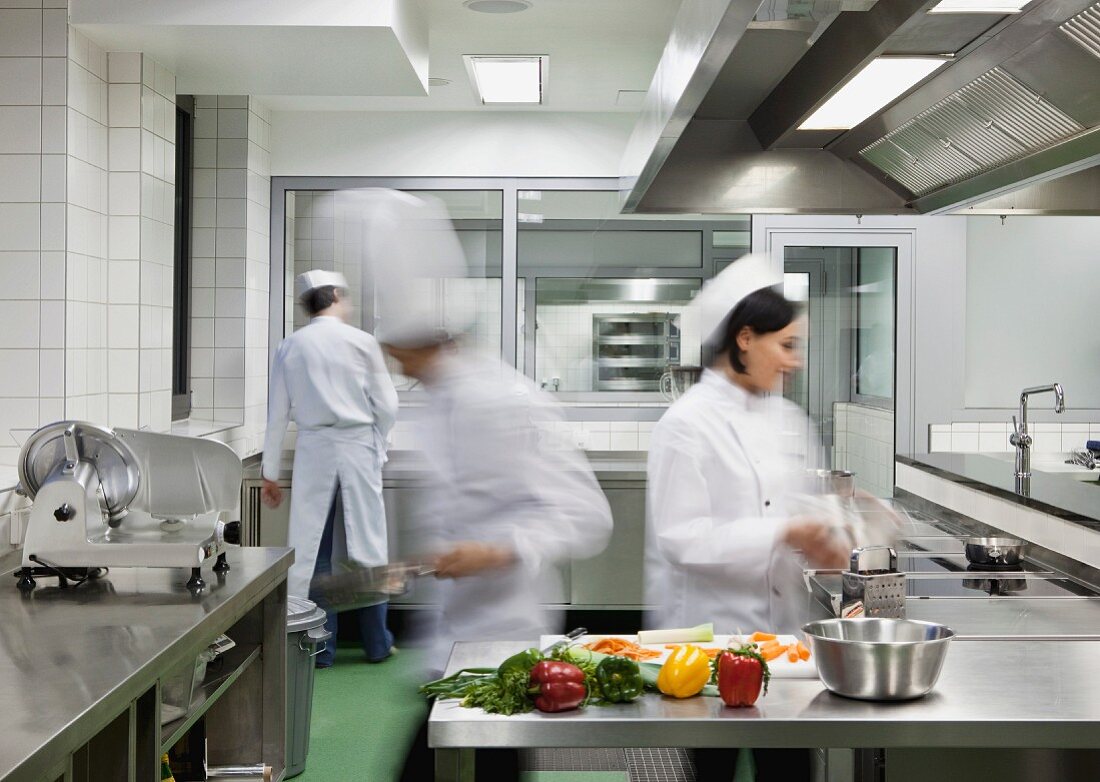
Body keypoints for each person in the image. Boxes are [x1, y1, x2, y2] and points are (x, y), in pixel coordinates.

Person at [646, 255, 851, 781]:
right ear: (744, 338)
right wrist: (784, 532)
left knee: (789, 771)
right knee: (712, 770)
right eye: (786, 345)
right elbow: (683, 539)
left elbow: (803, 507)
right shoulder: (685, 423)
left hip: (782, 645)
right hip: (708, 648)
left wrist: (831, 535)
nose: (795, 361)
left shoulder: (786, 418)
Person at [261, 270, 399, 667]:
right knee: (369, 548)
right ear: (336, 295)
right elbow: (387, 405)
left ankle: (319, 648)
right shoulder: (362, 342)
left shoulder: (291, 346)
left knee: (310, 551)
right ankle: (377, 644)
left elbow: (277, 414)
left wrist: (271, 472)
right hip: (357, 446)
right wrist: (380, 442)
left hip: (314, 448)